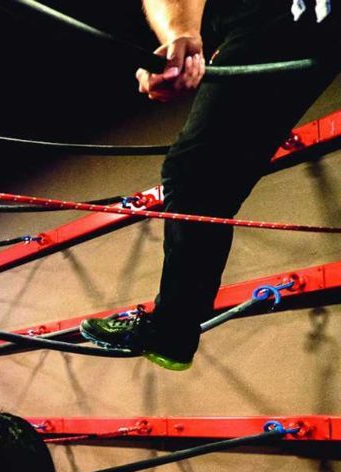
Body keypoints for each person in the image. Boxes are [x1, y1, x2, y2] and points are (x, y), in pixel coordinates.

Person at [80, 0, 341, 370]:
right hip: (276, 21)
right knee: (197, 171)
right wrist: (182, 40)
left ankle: (172, 331)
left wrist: (181, 36)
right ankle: (172, 331)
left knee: (194, 170)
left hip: (282, 14)